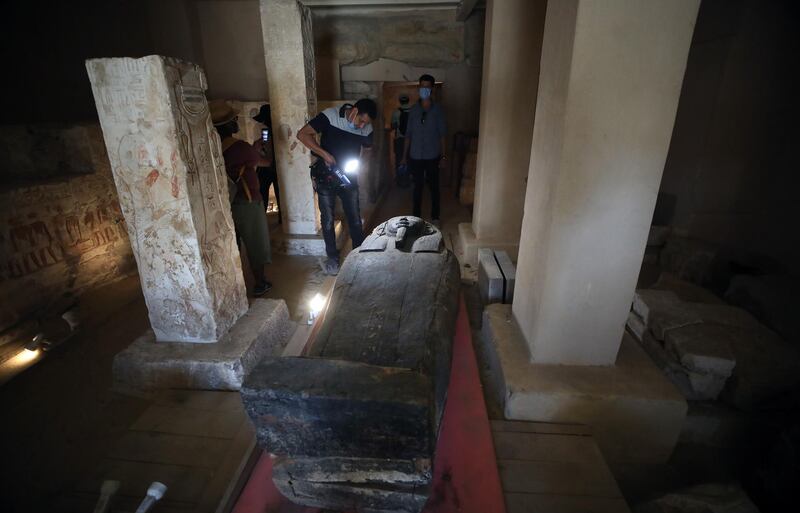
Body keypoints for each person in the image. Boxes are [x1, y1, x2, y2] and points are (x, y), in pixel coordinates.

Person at [297, 98, 377, 275]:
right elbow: (302, 134)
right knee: (327, 219)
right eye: (361, 120)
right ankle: (332, 258)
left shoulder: (367, 128)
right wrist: (324, 154)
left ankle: (358, 255)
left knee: (355, 218)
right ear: (354, 111)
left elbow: (369, 150)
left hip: (349, 177)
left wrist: (361, 166)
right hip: (326, 176)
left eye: (366, 123)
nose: (363, 125)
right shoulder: (330, 116)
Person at [210, 100, 273, 296]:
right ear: (227, 125)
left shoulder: (213, 148)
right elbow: (265, 162)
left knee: (233, 243)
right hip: (247, 201)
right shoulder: (240, 147)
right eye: (233, 119)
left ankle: (234, 286)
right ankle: (260, 282)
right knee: (255, 243)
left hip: (223, 203)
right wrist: (256, 150)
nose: (236, 121)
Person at [401, 74, 448, 227]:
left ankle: (435, 217)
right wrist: (404, 156)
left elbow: (442, 135)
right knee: (417, 187)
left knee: (434, 186)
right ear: (418, 88)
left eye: (428, 87)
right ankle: (416, 218)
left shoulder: (438, 111)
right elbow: (408, 135)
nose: (424, 89)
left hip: (432, 155)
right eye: (422, 86)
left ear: (432, 89)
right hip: (415, 155)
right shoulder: (413, 110)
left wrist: (443, 156)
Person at [252, 104, 282, 225]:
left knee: (264, 192)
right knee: (273, 193)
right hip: (271, 166)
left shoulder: (270, 131)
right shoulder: (270, 131)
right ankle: (280, 219)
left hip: (268, 166)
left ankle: (262, 220)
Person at [390, 94, 412, 187]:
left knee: (399, 159)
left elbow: (393, 126)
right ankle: (408, 180)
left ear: (400, 101)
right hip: (412, 139)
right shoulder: (414, 111)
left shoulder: (396, 112)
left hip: (400, 139)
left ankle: (400, 181)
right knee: (410, 159)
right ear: (408, 100)